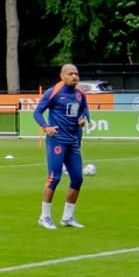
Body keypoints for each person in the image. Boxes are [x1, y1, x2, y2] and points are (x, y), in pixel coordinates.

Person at [32, 62, 92, 230]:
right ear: (62, 76)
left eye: (76, 74)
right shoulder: (54, 92)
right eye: (70, 74)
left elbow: (84, 109)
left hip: (73, 142)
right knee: (54, 178)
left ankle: (67, 217)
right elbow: (37, 112)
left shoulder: (80, 93)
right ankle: (44, 216)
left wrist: (83, 119)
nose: (74, 77)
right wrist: (46, 127)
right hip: (57, 141)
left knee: (78, 178)